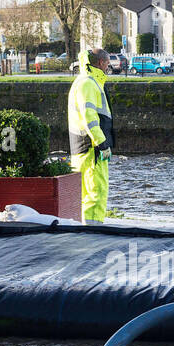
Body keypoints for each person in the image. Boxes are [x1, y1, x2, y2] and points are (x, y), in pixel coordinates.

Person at [67, 47, 114, 222]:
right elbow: (90, 118)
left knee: (85, 193)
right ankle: (93, 230)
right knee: (96, 191)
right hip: (92, 149)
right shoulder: (89, 83)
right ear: (101, 63)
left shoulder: (83, 81)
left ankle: (85, 228)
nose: (108, 67)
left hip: (83, 147)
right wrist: (102, 143)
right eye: (107, 63)